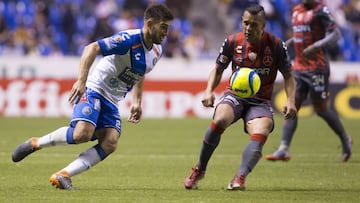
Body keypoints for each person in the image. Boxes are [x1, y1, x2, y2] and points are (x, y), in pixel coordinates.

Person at [11, 4, 174, 190]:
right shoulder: (128, 40)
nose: (166, 33)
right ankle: (35, 143)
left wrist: (137, 101)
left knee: (110, 141)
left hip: (112, 99)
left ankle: (63, 175)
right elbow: (92, 48)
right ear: (150, 23)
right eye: (164, 27)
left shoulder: (157, 51)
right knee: (82, 134)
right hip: (95, 88)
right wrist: (81, 81)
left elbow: (141, 71)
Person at [184, 4, 297, 191]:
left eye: (254, 24)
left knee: (263, 129)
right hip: (235, 96)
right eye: (245, 23)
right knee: (220, 119)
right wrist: (208, 90)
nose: (248, 28)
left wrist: (291, 100)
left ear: (263, 25)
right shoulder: (232, 42)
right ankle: (200, 169)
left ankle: (239, 178)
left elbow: (289, 76)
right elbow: (218, 69)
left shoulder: (276, 45)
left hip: (260, 101)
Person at [265, 0, 352, 162]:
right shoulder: (296, 10)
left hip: (317, 68)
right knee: (292, 106)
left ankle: (345, 138)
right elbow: (299, 36)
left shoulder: (320, 11)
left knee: (321, 110)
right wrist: (288, 44)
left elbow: (336, 34)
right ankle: (284, 148)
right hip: (298, 67)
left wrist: (317, 45)